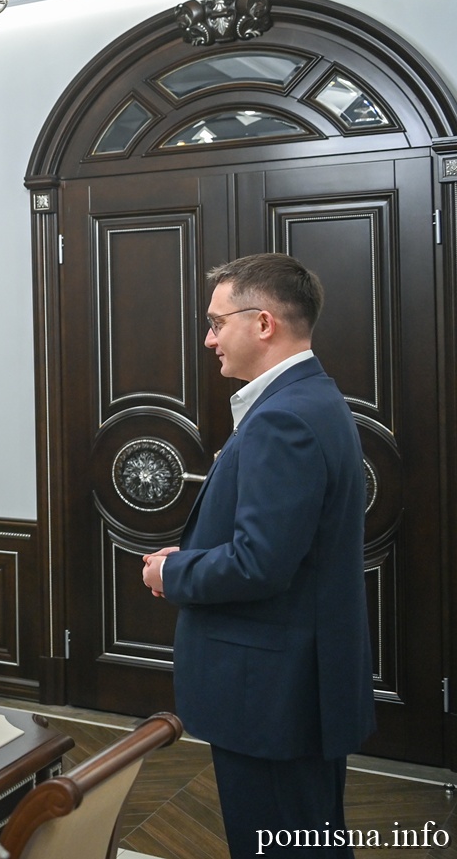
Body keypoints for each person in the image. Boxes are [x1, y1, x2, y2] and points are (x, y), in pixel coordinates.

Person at [143, 253, 374, 859]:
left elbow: (259, 564)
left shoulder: (284, 418)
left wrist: (173, 570)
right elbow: (283, 545)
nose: (209, 338)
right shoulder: (313, 398)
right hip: (294, 685)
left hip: (273, 694)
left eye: (217, 323)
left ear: (263, 323)